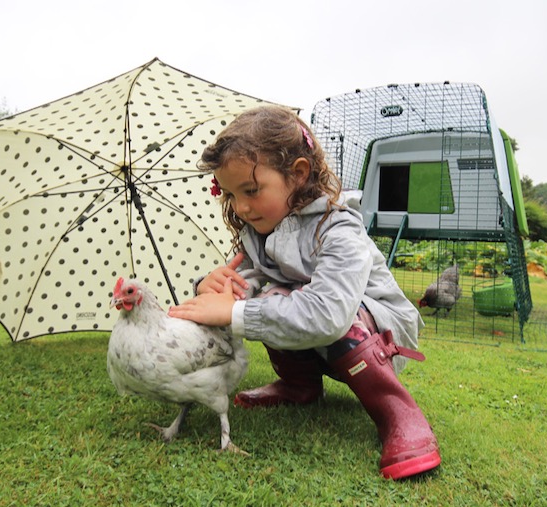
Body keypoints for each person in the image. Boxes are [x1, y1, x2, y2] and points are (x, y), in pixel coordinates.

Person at [167, 105, 440, 479]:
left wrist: (232, 314)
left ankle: (399, 414)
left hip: (377, 332)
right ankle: (299, 386)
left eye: (251, 190)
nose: (241, 207)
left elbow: (329, 313)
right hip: (323, 333)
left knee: (312, 312)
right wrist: (214, 287)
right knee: (262, 299)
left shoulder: (338, 229)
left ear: (297, 174)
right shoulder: (263, 230)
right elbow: (251, 283)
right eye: (230, 195)